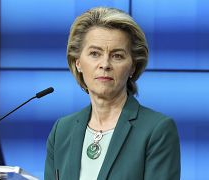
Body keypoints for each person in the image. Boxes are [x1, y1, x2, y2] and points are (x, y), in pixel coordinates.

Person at [44, 7, 180, 180]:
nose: (105, 64)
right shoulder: (61, 130)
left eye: (117, 56)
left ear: (132, 66)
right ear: (78, 62)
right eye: (94, 53)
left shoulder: (157, 130)